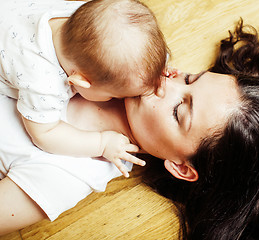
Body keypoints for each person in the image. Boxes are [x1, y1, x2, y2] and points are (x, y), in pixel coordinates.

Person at [1, 11, 259, 240]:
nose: (165, 82)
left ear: (181, 167)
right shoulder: (111, 37)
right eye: (190, 78)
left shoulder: (66, 177)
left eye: (177, 111)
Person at [0, 0, 168, 177]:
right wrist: (101, 144)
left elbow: (126, 38)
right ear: (81, 82)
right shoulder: (43, 82)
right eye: (112, 96)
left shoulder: (83, 17)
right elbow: (44, 134)